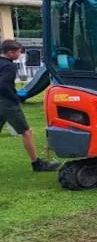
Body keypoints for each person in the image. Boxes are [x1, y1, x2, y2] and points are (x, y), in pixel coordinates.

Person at [0, 39, 59, 172]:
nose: (21, 55)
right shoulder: (9, 66)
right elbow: (3, 85)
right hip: (7, 103)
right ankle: (37, 164)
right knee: (26, 132)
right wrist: (15, 98)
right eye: (19, 52)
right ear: (10, 52)